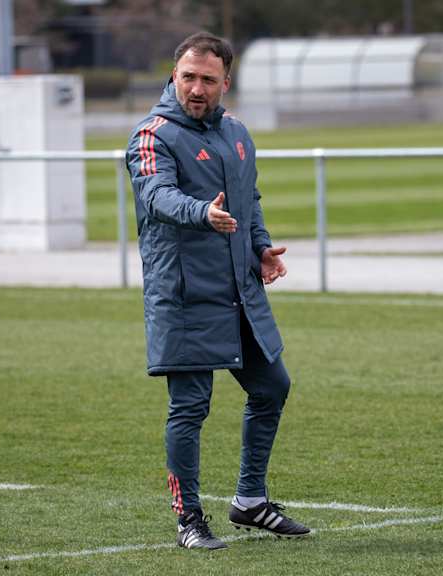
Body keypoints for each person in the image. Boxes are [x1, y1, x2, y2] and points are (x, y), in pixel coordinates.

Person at [125, 32, 310, 551]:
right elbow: (157, 194)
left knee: (272, 385)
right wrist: (202, 214)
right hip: (183, 296)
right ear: (173, 75)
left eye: (208, 79)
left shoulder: (236, 133)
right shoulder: (152, 134)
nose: (197, 88)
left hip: (238, 292)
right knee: (190, 407)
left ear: (226, 81)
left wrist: (261, 249)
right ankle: (189, 519)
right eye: (188, 77)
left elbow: (248, 200)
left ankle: (250, 500)